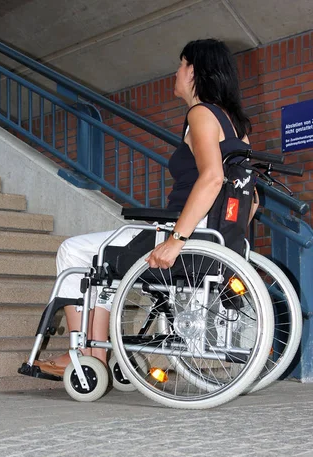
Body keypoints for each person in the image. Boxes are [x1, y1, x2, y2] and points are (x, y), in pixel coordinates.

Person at [34, 38, 258, 377]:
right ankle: (96, 353)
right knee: (102, 259)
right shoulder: (239, 128)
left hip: (182, 235)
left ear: (195, 70)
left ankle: (86, 353)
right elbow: (249, 200)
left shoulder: (200, 115)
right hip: (217, 242)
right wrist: (221, 238)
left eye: (181, 64)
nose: (176, 71)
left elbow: (212, 179)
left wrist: (177, 239)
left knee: (73, 252)